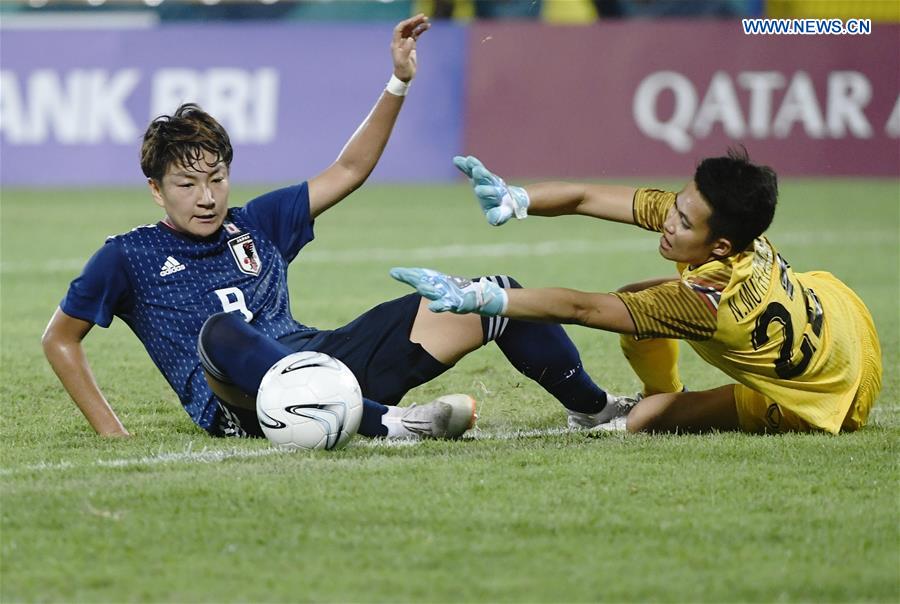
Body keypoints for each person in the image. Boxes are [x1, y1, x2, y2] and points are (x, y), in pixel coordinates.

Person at [41, 15, 627, 441]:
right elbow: (59, 338)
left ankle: (597, 410)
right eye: (187, 186)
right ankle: (397, 425)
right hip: (242, 405)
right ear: (155, 190)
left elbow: (349, 170)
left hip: (326, 364)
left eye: (216, 179)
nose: (207, 197)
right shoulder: (127, 255)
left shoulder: (259, 221)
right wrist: (110, 431)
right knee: (221, 331)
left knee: (495, 295)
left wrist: (398, 82)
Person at [391, 149, 883, 434]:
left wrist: (483, 297)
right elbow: (588, 197)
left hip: (823, 396)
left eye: (684, 221)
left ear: (720, 244)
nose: (670, 220)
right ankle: (665, 390)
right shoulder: (727, 228)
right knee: (638, 305)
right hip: (845, 327)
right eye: (677, 204)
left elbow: (586, 308)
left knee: (642, 421)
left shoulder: (702, 303)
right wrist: (518, 198)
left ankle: (659, 402)